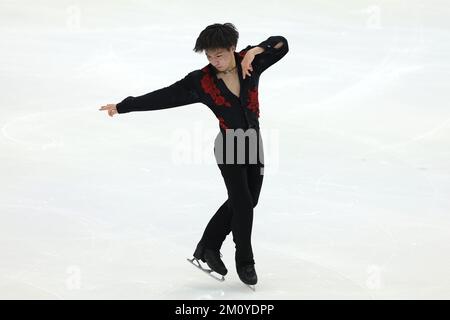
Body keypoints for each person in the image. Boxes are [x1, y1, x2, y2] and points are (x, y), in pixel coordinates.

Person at [99, 23, 289, 287]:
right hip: (229, 145)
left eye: (219, 55)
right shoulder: (202, 81)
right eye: (209, 56)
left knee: (247, 200)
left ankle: (208, 246)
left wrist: (254, 51)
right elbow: (164, 96)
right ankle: (245, 260)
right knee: (243, 203)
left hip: (253, 143)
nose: (214, 61)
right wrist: (124, 106)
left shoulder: (251, 63)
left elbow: (281, 43)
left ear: (232, 49)